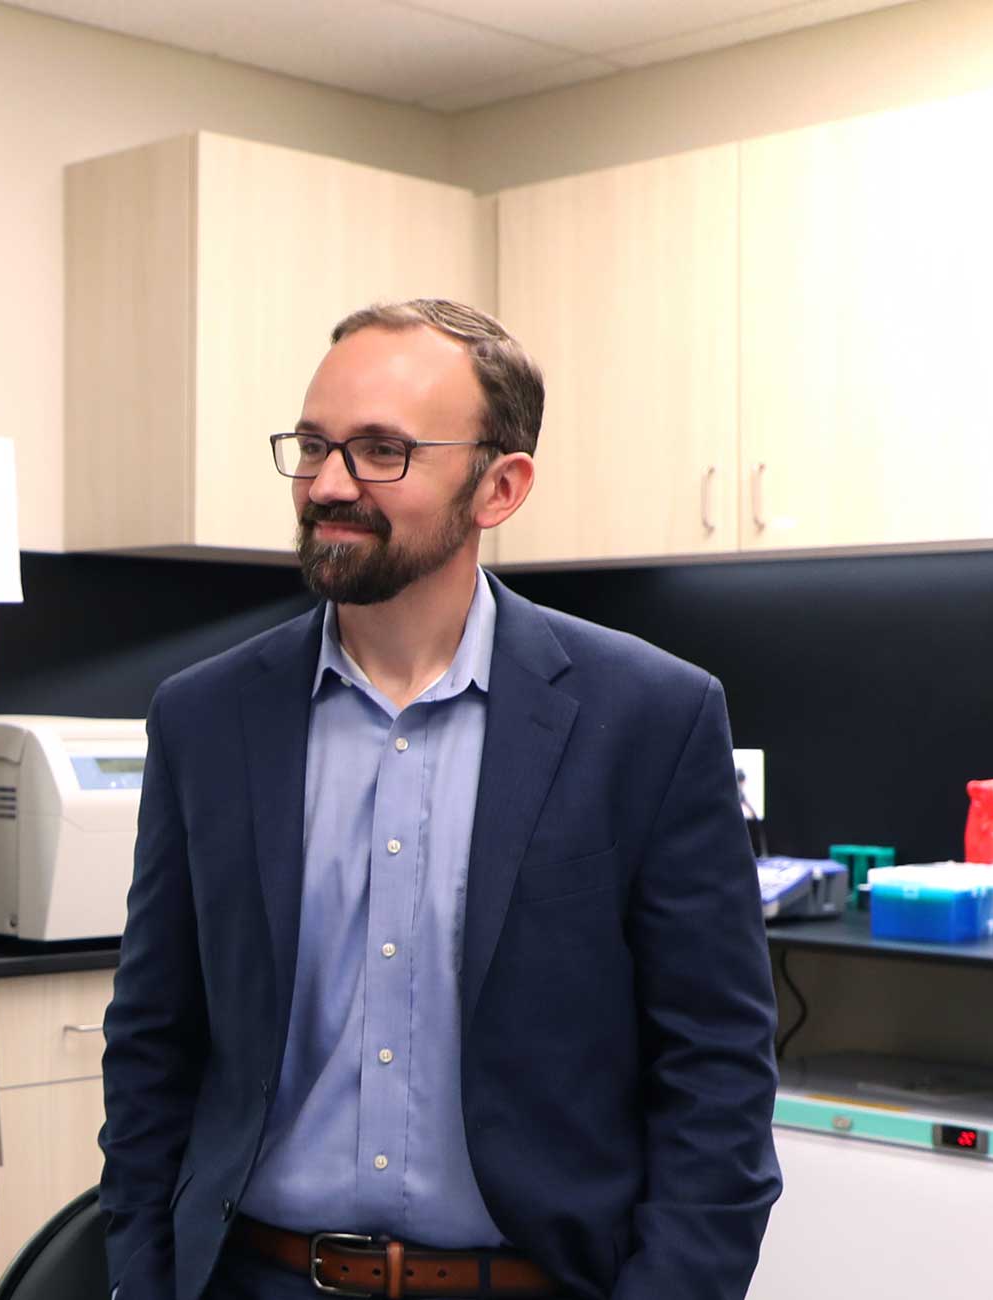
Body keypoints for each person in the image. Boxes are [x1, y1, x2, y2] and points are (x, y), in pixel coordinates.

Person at [97, 300, 780, 1300]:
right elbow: (153, 1040)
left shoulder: (648, 718)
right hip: (261, 1279)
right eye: (315, 446)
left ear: (499, 486)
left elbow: (714, 1069)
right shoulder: (206, 719)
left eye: (381, 451)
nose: (330, 483)